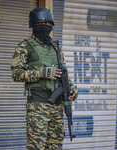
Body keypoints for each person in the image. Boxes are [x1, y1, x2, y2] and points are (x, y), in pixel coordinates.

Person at [11, 7, 78, 150]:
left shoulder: (55, 47)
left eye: (46, 23)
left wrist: (72, 90)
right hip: (38, 106)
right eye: (39, 24)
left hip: (57, 108)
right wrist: (42, 73)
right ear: (33, 26)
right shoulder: (25, 46)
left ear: (51, 25)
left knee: (55, 147)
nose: (43, 27)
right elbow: (16, 74)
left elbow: (64, 74)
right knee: (36, 147)